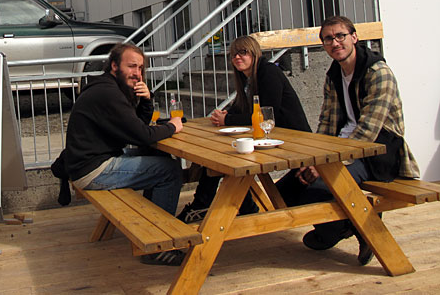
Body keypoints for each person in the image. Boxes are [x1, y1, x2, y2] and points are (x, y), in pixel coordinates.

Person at [276, 15, 420, 265]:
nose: (335, 42)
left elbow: (367, 132)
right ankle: (341, 227)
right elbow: (327, 123)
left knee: (318, 190)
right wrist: (313, 158)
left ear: (354, 37)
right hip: (341, 148)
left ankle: (361, 229)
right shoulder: (334, 74)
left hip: (377, 152)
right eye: (328, 39)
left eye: (340, 35)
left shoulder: (378, 73)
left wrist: (324, 165)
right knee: (285, 192)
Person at [64, 42, 185, 266]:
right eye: (131, 66)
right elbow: (143, 135)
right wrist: (173, 127)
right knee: (169, 171)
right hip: (93, 170)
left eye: (140, 68)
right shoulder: (107, 94)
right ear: (114, 66)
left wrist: (147, 100)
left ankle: (152, 227)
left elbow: (136, 127)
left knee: (160, 160)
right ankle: (157, 246)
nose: (137, 74)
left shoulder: (107, 88)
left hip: (90, 162)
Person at [178, 35, 311, 223]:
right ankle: (241, 206)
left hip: (293, 139)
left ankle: (203, 204)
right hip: (270, 137)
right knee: (224, 155)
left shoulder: (268, 72)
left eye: (243, 52)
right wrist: (223, 115)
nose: (238, 57)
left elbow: (266, 114)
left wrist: (228, 120)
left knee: (227, 158)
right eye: (234, 55)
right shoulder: (247, 79)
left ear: (254, 53)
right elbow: (241, 108)